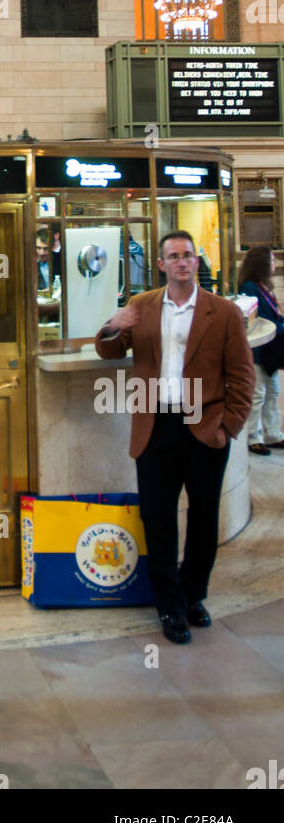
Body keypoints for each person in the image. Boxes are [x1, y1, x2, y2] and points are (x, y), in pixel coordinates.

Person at [95, 230, 254, 646]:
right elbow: (109, 351)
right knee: (158, 518)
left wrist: (227, 428)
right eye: (173, 256)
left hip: (204, 429)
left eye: (188, 255)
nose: (182, 262)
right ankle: (169, 606)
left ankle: (194, 596)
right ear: (161, 265)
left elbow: (242, 376)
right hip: (155, 428)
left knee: (203, 519)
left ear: (196, 262)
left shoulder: (223, 313)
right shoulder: (141, 307)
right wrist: (112, 325)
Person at [237, 245, 284, 456]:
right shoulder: (249, 288)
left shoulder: (264, 286)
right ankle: (253, 437)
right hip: (257, 351)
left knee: (272, 391)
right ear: (262, 264)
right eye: (272, 260)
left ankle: (273, 434)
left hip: (270, 351)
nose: (274, 264)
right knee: (258, 394)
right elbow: (258, 320)